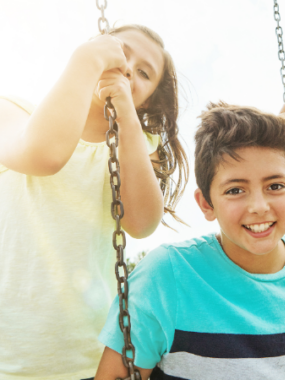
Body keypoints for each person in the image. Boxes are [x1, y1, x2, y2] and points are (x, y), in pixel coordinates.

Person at [95, 102, 285, 380]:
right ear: (206, 204)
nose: (259, 206)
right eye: (235, 190)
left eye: (275, 186)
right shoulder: (167, 274)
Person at [0, 25, 189, 380]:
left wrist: (126, 117)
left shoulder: (134, 148)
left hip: (82, 355)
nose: (128, 68)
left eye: (144, 73)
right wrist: (86, 60)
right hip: (7, 348)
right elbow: (44, 154)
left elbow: (142, 222)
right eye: (119, 51)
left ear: (146, 100)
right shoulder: (15, 111)